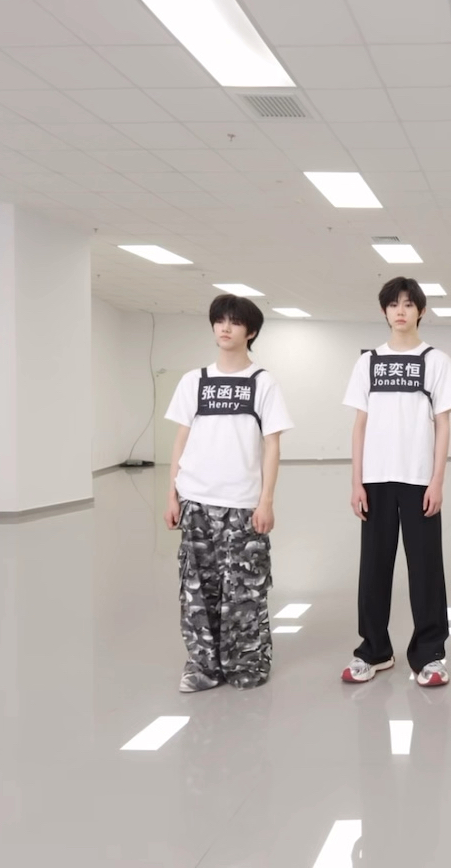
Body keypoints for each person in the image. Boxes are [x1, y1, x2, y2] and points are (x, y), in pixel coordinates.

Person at [164, 293, 294, 693]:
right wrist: (172, 494)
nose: (225, 327)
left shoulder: (263, 383)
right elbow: (181, 438)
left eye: (235, 322)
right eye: (220, 320)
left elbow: (272, 445)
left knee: (244, 589)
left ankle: (246, 664)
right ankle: (202, 667)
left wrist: (266, 500)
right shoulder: (194, 381)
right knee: (197, 589)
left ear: (250, 332)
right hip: (196, 500)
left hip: (242, 504)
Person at [341, 276, 451, 687]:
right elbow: (359, 424)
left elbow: (443, 424)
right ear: (384, 311)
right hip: (375, 480)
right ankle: (373, 651)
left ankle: (430, 655)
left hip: (418, 480)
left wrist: (437, 481)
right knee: (373, 569)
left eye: (409, 304)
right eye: (393, 304)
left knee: (426, 570)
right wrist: (356, 482)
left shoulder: (436, 361)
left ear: (421, 311)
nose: (401, 311)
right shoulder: (368, 362)